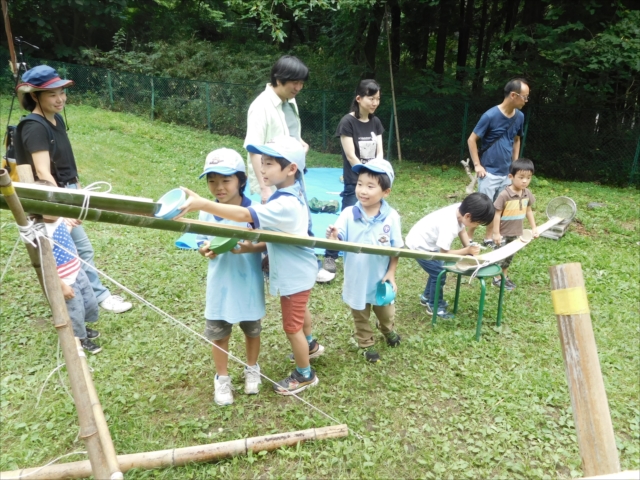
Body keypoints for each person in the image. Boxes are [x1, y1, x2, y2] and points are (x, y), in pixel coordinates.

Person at [178, 136, 324, 396]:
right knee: (299, 315)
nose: (263, 169)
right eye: (262, 163)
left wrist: (202, 203)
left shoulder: (283, 204)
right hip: (293, 272)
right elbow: (263, 238)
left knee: (292, 326)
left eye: (269, 164)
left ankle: (305, 373)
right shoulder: (288, 192)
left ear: (290, 169)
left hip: (293, 274)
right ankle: (310, 345)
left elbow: (247, 217)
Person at [15, 65, 132, 314]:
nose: (60, 99)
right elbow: (43, 172)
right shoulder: (34, 127)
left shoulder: (55, 119)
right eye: (52, 94)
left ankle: (83, 293)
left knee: (75, 250)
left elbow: (65, 162)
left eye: (62, 92)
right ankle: (96, 296)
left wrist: (76, 190)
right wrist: (63, 207)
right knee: (74, 251)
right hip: (49, 202)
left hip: (66, 192)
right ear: (35, 96)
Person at [195, 148, 266, 406]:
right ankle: (222, 378)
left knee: (252, 330)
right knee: (219, 334)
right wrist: (205, 249)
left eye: (226, 180)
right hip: (220, 285)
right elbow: (202, 242)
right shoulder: (206, 211)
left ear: (241, 180)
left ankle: (252, 368)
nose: (218, 187)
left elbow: (267, 243)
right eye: (212, 180)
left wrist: (250, 247)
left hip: (248, 283)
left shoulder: (255, 212)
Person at [326, 159, 402, 363]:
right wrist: (334, 236)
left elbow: (396, 249)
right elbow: (339, 237)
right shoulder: (349, 213)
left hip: (381, 280)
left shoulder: (391, 217)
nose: (363, 190)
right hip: (356, 279)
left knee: (386, 314)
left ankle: (387, 331)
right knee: (360, 316)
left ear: (386, 192)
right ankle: (366, 343)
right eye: (360, 184)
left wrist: (391, 272)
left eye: (370, 186)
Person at [318, 79, 385, 282]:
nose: (375, 103)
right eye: (371, 98)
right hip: (354, 181)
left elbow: (380, 153)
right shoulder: (347, 122)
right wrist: (365, 177)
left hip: (375, 182)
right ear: (359, 98)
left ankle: (368, 257)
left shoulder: (376, 122)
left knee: (374, 218)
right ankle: (330, 258)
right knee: (345, 219)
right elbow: (351, 156)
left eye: (378, 99)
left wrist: (378, 177)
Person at [36, 181, 102, 354]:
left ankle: (82, 329)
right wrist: (61, 285)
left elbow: (64, 236)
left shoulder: (57, 220)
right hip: (65, 280)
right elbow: (45, 266)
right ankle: (79, 339)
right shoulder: (42, 233)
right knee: (74, 311)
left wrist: (70, 224)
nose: (59, 207)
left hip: (77, 271)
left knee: (87, 303)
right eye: (53, 204)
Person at [406, 193, 495, 319]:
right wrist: (466, 250)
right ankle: (435, 306)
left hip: (423, 240)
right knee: (438, 272)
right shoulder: (449, 224)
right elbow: (444, 254)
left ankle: (427, 297)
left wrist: (468, 246)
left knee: (435, 270)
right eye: (477, 223)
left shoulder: (460, 209)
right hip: (420, 246)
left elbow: (462, 229)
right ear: (468, 216)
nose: (477, 226)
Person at [467, 78, 530, 246]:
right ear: (513, 95)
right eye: (524, 96)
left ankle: (488, 238)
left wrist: (515, 166)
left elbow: (517, 140)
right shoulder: (490, 115)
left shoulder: (520, 117)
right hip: (488, 171)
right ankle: (469, 238)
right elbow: (471, 140)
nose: (526, 100)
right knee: (482, 207)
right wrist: (478, 165)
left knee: (498, 208)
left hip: (506, 173)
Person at [244, 55, 310, 204]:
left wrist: (300, 144)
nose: (298, 88)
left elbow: (288, 130)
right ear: (279, 80)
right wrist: (264, 189)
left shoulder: (290, 100)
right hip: (273, 184)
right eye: (295, 82)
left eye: (301, 83)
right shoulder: (260, 106)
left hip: (293, 177)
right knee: (277, 226)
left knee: (301, 222)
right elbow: (253, 149)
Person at [491, 158, 538, 291]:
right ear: (511, 177)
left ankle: (504, 276)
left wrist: (534, 227)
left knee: (509, 257)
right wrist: (496, 233)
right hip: (503, 233)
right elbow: (497, 214)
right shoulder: (504, 195)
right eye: (521, 177)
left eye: (528, 178)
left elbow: (528, 210)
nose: (525, 181)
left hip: (516, 233)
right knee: (500, 256)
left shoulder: (527, 193)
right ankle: (496, 278)